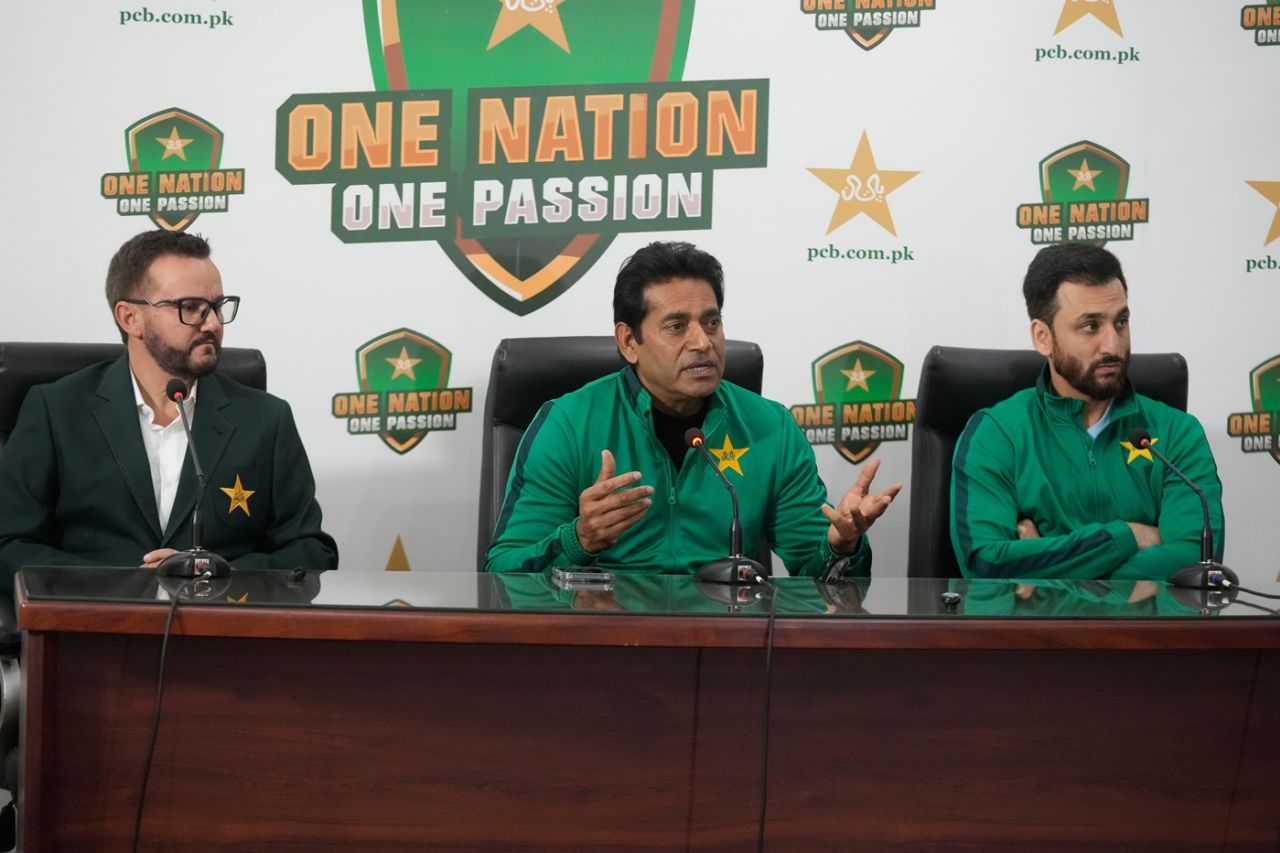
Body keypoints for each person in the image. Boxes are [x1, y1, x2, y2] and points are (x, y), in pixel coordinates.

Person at [485, 240, 900, 576]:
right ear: (629, 342)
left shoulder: (770, 425)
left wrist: (841, 544)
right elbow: (502, 572)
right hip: (603, 642)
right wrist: (580, 539)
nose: (703, 342)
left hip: (729, 640)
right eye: (676, 326)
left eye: (712, 322)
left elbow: (818, 576)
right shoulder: (568, 424)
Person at [0, 230, 338, 590]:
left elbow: (312, 551)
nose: (213, 324)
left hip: (220, 635)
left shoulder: (266, 419)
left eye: (217, 306)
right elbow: (9, 546)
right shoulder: (57, 411)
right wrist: (127, 584)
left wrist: (220, 573)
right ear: (130, 318)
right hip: (96, 634)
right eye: (190, 307)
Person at [950, 243, 1223, 580]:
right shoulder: (996, 434)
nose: (1113, 345)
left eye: (1120, 322)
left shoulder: (1177, 433)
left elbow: (1193, 559)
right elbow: (986, 563)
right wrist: (1128, 536)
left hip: (1145, 633)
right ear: (1043, 337)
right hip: (1033, 634)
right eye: (1091, 326)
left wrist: (1048, 566)